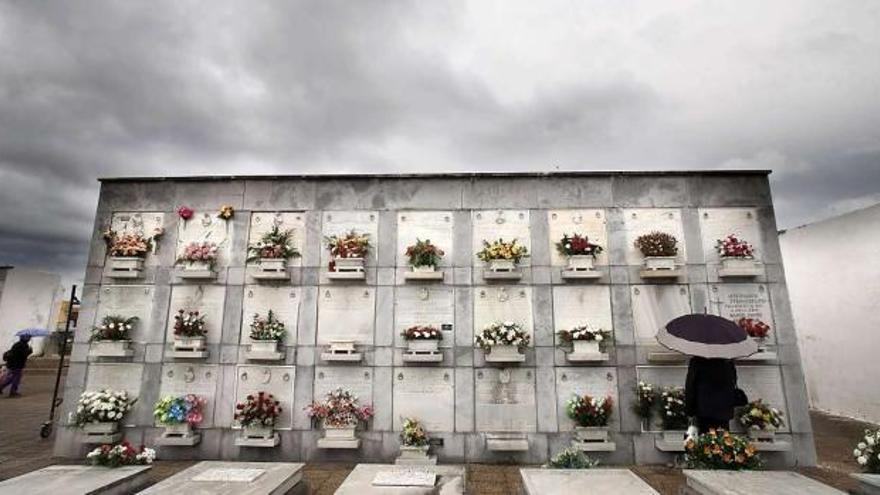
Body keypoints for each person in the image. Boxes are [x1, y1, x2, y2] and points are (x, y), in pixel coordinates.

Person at [685, 355, 746, 433]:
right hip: (724, 408)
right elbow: (733, 380)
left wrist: (690, 410)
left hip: (704, 409)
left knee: (705, 439)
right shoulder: (727, 361)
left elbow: (690, 385)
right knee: (723, 439)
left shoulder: (697, 361)